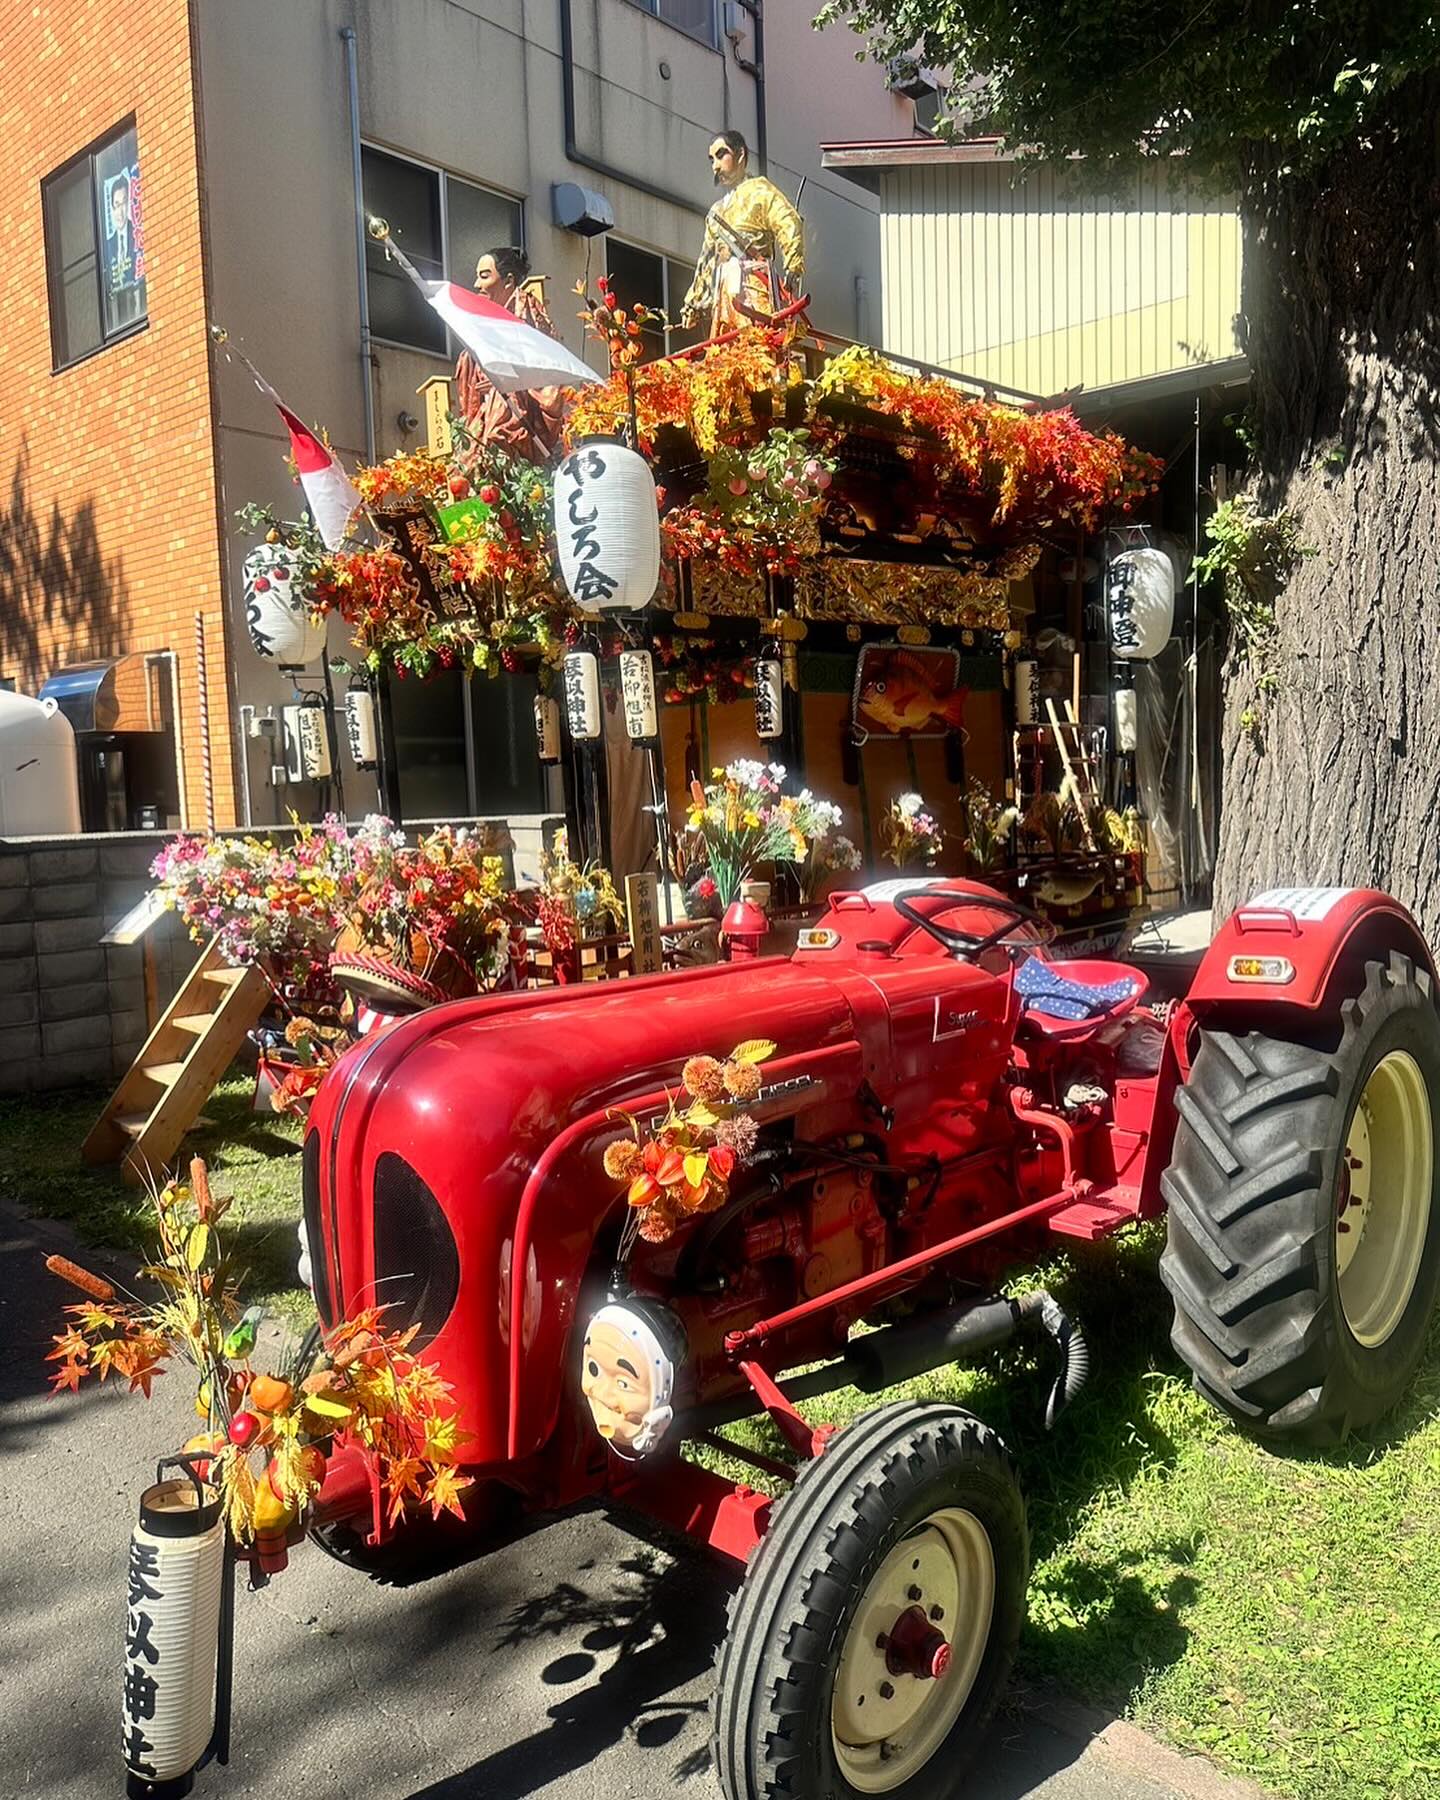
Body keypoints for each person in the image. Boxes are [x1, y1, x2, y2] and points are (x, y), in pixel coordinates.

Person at [679, 130, 805, 338]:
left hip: (753, 284)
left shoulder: (760, 191)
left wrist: (793, 264)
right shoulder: (716, 211)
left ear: (740, 155)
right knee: (725, 347)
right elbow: (707, 261)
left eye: (721, 155)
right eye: (712, 159)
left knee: (758, 342)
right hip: (724, 293)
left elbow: (788, 220)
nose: (715, 166)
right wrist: (693, 303)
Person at [454, 245, 567, 461]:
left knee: (501, 417)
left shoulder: (527, 310)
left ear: (508, 281)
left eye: (484, 276)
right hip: (487, 408)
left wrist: (504, 379)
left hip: (518, 404)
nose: (477, 285)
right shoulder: (485, 319)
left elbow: (542, 364)